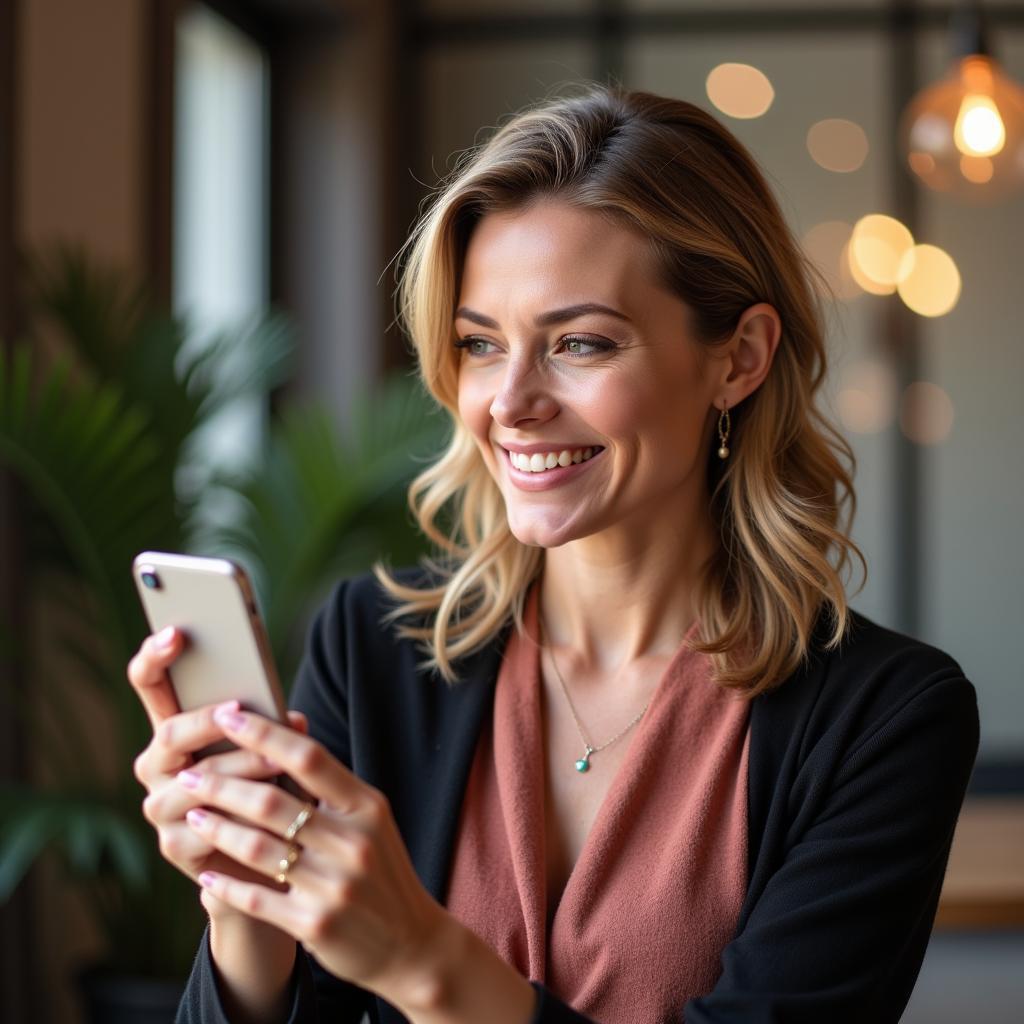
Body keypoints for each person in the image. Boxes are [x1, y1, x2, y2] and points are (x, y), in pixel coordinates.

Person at [128, 83, 979, 1024]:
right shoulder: (371, 648)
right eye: (480, 345)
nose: (509, 401)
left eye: (579, 342)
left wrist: (424, 964)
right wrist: (247, 905)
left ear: (738, 358)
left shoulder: (885, 719)